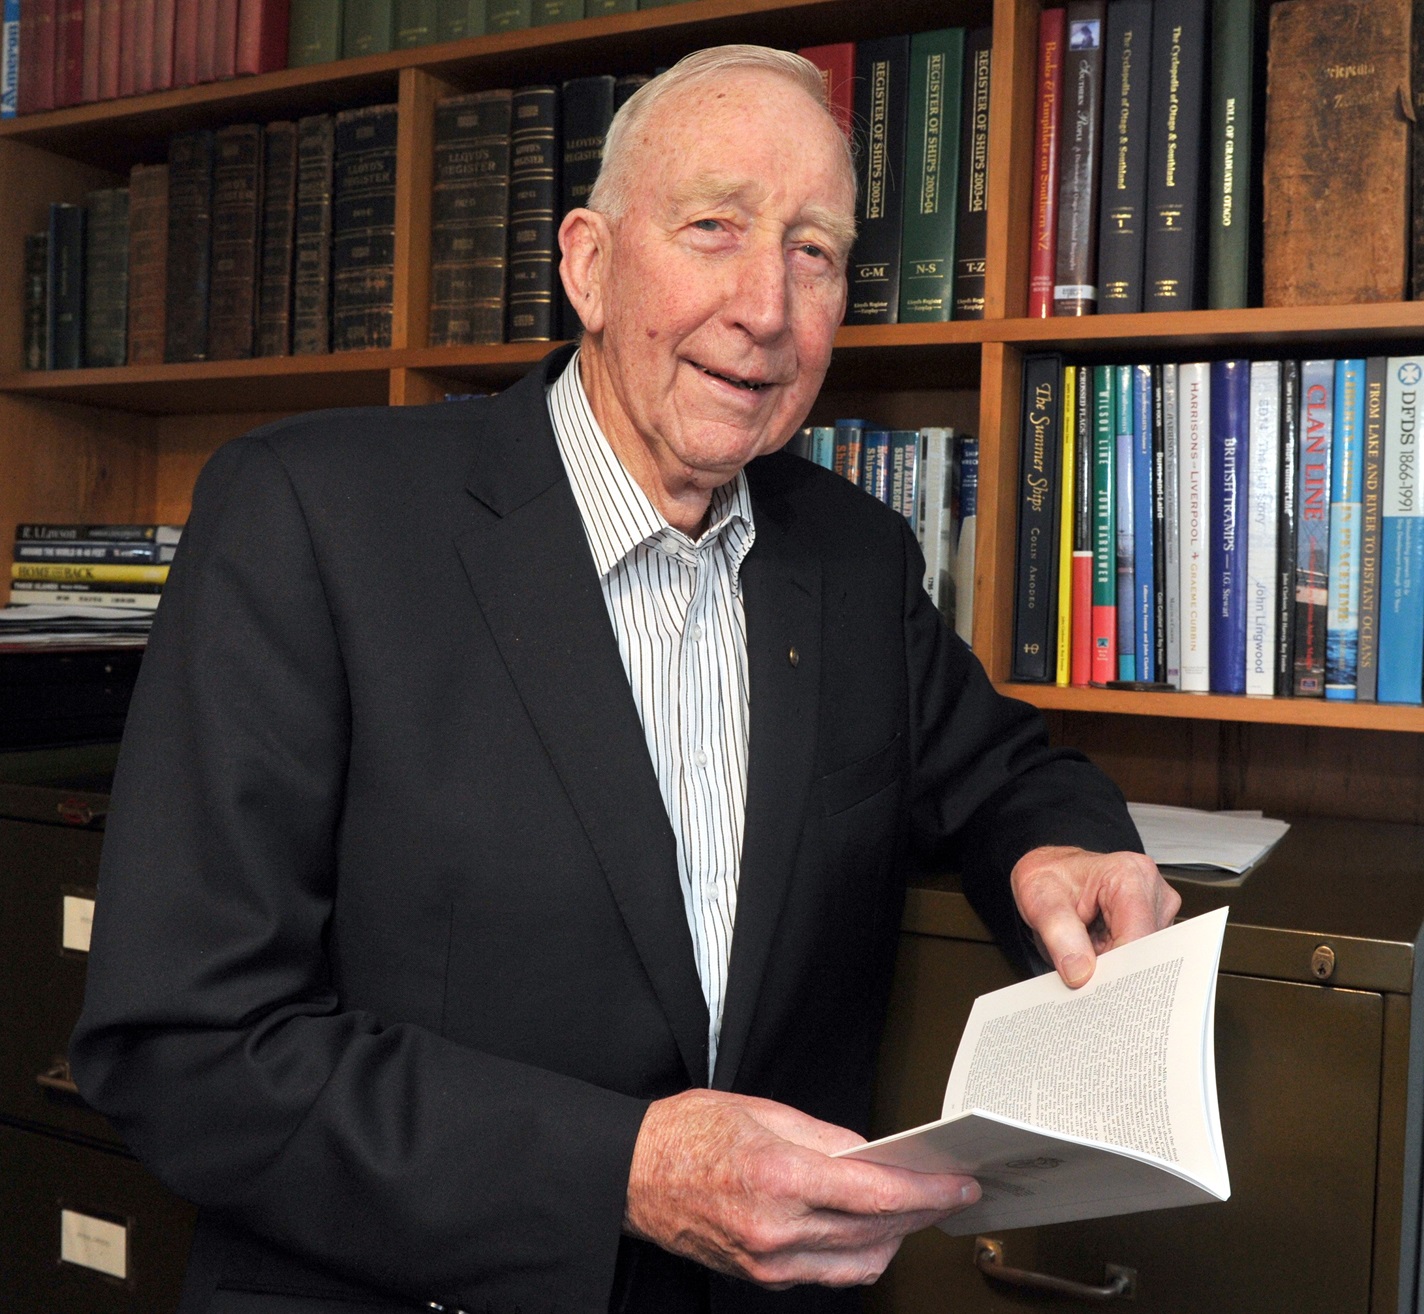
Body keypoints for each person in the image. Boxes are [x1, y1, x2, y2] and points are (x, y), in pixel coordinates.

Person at [71, 45, 1178, 1314]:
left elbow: (1003, 772)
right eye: (713, 227)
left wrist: (1061, 851)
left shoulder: (854, 555)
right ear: (588, 264)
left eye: (812, 251)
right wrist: (625, 1169)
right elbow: (184, 1047)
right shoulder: (312, 517)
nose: (765, 305)